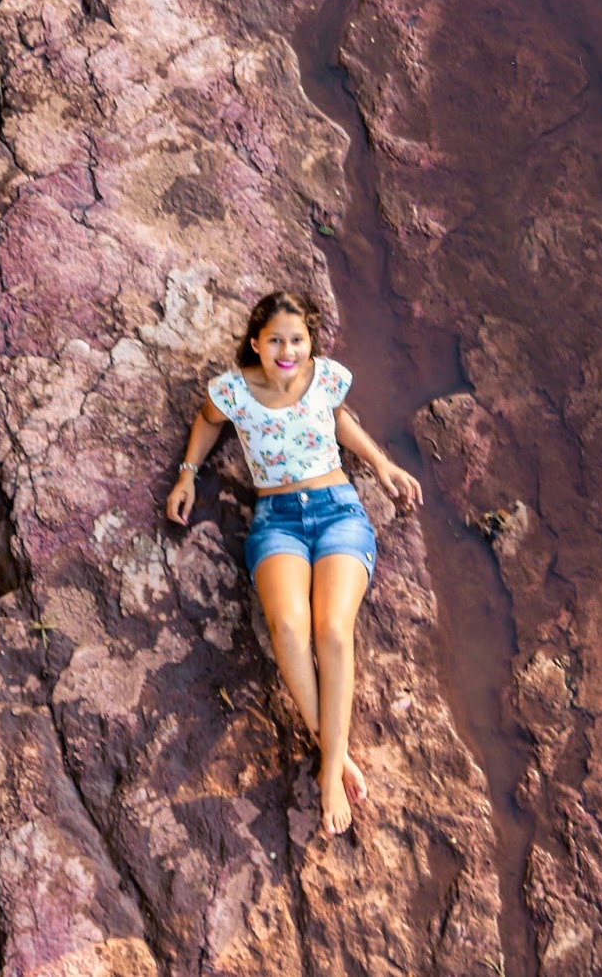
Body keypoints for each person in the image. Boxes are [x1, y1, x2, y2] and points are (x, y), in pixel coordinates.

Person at [166, 290, 424, 836]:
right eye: (276, 341)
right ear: (256, 343)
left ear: (310, 343)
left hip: (338, 512)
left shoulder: (324, 377)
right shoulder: (234, 390)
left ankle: (330, 774)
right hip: (277, 520)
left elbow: (340, 420)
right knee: (287, 626)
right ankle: (335, 752)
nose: (287, 351)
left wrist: (382, 465)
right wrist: (188, 473)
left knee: (332, 629)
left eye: (297, 340)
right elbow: (207, 421)